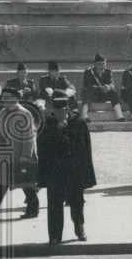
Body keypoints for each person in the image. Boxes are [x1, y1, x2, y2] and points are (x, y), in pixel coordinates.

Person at [37, 95, 96, 245]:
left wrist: (86, 173)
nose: (59, 114)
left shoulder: (78, 123)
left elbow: (85, 149)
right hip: (55, 171)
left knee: (77, 202)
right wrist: (57, 131)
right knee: (54, 204)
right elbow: (43, 149)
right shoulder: (47, 124)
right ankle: (55, 235)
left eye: (62, 111)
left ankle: (79, 227)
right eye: (56, 112)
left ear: (67, 109)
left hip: (74, 170)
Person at [0, 87, 40, 219]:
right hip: (5, 154)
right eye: (3, 97)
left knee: (26, 183)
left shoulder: (25, 114)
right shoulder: (3, 113)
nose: (4, 100)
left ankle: (33, 209)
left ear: (16, 98)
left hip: (20, 155)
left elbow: (29, 137)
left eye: (7, 97)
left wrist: (25, 156)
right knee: (2, 181)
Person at [80, 53, 125, 121]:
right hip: (93, 95)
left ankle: (119, 115)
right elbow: (88, 85)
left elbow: (112, 84)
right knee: (87, 92)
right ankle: (84, 115)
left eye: (103, 64)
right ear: (95, 64)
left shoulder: (108, 72)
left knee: (113, 92)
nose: (101, 66)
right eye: (99, 64)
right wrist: (100, 88)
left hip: (104, 95)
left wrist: (108, 87)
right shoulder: (89, 72)